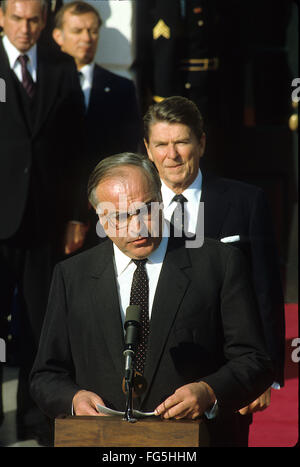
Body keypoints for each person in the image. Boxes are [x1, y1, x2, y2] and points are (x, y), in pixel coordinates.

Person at [30, 152, 274, 447]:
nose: (137, 227)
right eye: (119, 216)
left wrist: (209, 392)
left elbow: (255, 360)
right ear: (99, 216)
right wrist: (73, 400)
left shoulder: (218, 262)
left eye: (146, 210)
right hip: (103, 442)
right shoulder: (72, 276)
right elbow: (46, 374)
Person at [143, 95, 286, 445]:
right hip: (152, 378)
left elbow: (265, 290)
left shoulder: (246, 201)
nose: (171, 154)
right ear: (148, 149)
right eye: (161, 144)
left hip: (226, 377)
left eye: (181, 142)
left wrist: (264, 375)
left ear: (201, 143)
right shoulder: (134, 209)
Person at [0, 0, 86, 444]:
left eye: (34, 19)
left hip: (46, 224)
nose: (26, 28)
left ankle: (36, 418)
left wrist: (76, 215)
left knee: (40, 325)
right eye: (17, 18)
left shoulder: (61, 68)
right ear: (1, 18)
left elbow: (76, 149)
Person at [52, 1, 142, 250]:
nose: (87, 38)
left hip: (103, 211)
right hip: (50, 208)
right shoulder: (41, 88)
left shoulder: (122, 88)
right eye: (78, 31)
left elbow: (126, 151)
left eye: (92, 31)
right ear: (58, 35)